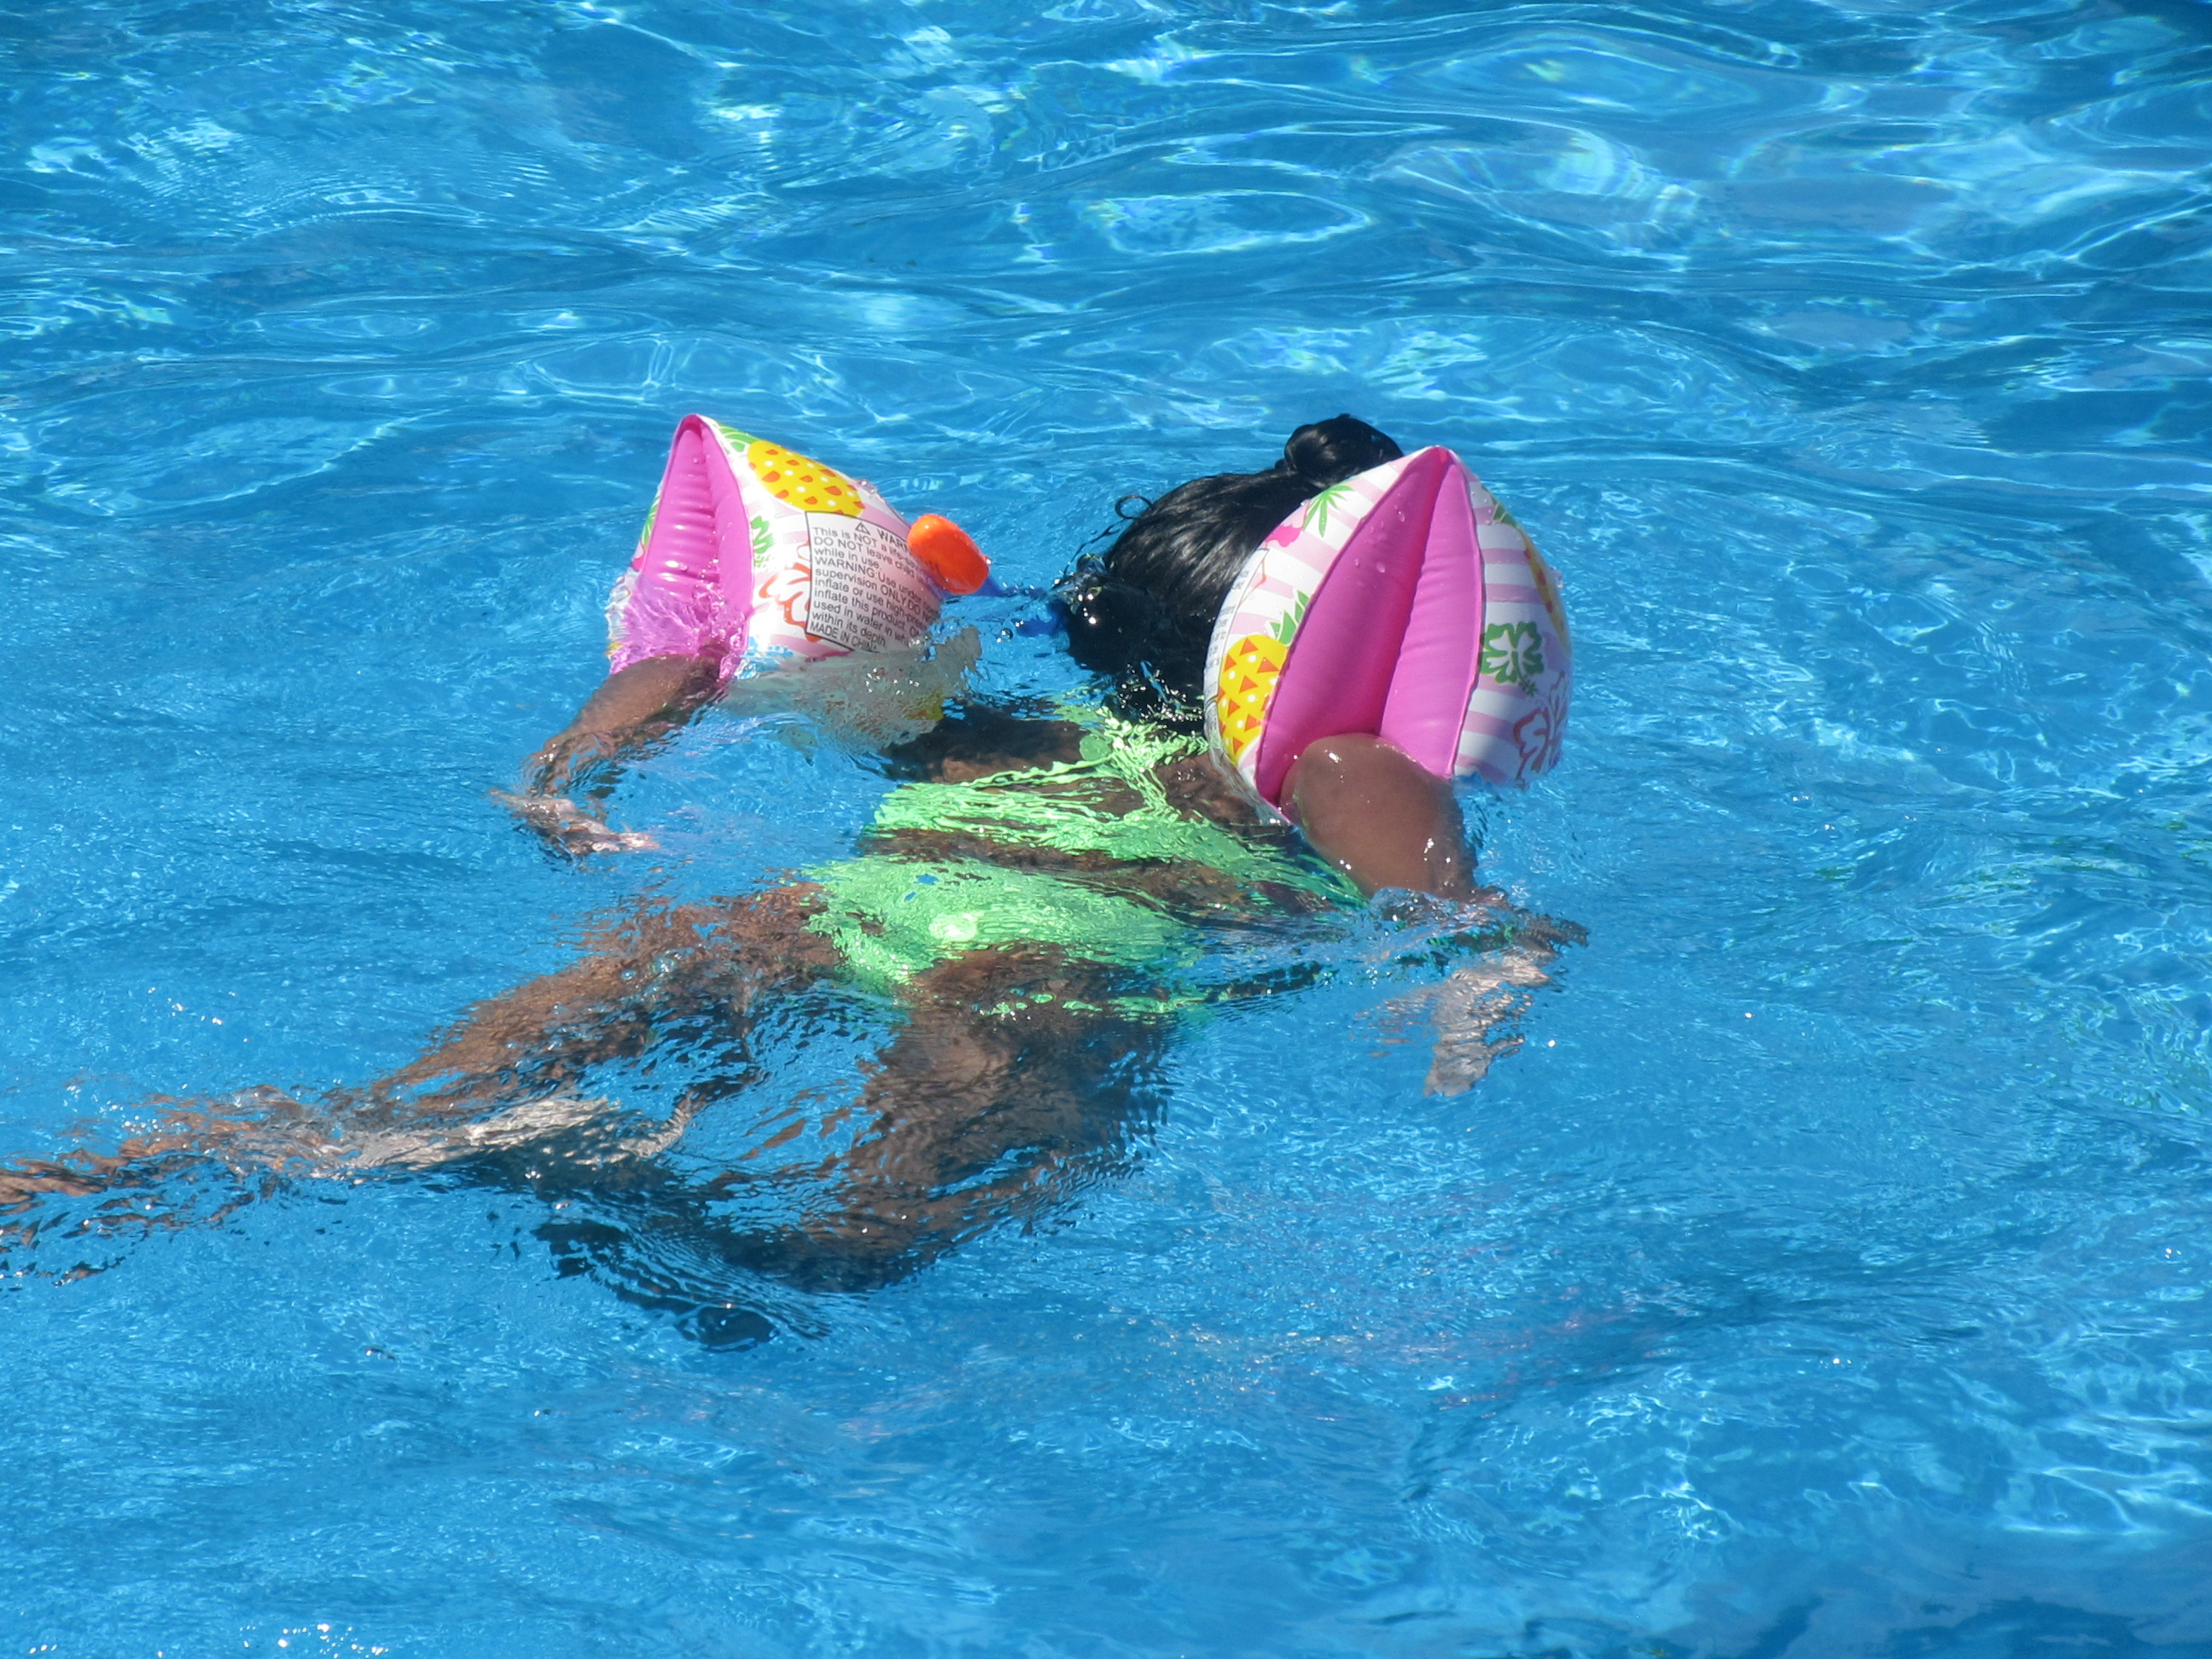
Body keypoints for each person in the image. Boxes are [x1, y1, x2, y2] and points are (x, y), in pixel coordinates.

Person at [0, 416, 1574, 1344]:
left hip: (806, 916)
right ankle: (576, 1168)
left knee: (373, 1115)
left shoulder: (986, 716)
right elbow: (1413, 850)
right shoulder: (1302, 767)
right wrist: (1478, 963)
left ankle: (74, 1193)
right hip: (1036, 980)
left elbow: (705, 661)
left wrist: (567, 769)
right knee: (848, 1256)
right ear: (1316, 652)